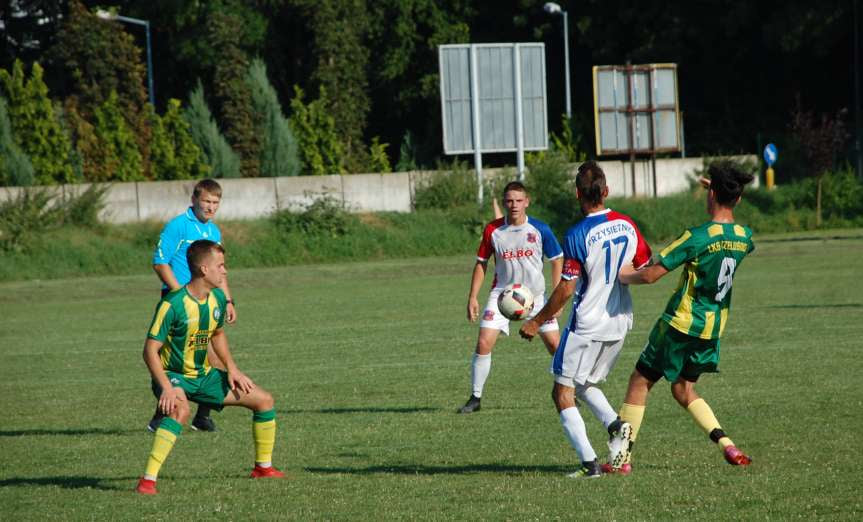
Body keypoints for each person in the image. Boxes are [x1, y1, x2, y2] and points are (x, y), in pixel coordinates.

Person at [608, 161, 756, 474]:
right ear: (738, 198)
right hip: (712, 330)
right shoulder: (745, 237)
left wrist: (620, 276)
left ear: (711, 193)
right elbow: (726, 227)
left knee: (640, 381)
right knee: (683, 389)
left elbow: (650, 276)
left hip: (680, 324)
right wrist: (719, 191)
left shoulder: (696, 237)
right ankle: (726, 444)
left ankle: (619, 460)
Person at [519, 161, 651, 478]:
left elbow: (566, 288)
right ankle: (616, 427)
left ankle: (589, 463)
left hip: (587, 324)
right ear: (605, 191)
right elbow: (644, 266)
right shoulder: (627, 223)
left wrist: (536, 322)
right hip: (619, 322)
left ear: (578, 193)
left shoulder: (578, 234)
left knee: (561, 392)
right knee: (584, 383)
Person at [135, 240, 284, 495]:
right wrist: (167, 388)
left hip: (204, 376)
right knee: (179, 412)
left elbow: (216, 334)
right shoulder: (173, 304)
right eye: (221, 266)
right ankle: (147, 481)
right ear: (204, 269)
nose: (225, 271)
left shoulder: (216, 298)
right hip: (173, 376)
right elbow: (149, 351)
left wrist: (232, 369)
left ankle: (263, 468)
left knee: (264, 401)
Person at [458, 181, 564, 414]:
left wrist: (557, 298)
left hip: (535, 297)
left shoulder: (540, 229)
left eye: (518, 200)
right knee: (483, 342)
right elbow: (481, 263)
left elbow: (557, 259)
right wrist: (473, 297)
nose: (514, 205)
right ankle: (475, 398)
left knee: (556, 346)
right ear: (504, 203)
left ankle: (570, 392)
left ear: (527, 202)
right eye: (509, 201)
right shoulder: (493, 230)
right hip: (501, 296)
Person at [148, 178, 236, 433]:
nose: (210, 207)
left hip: (206, 305)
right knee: (178, 362)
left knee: (211, 359)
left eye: (215, 203)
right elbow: (160, 262)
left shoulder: (214, 232)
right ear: (194, 200)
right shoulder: (178, 226)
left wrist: (228, 300)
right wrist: (180, 295)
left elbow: (219, 271)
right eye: (206, 201)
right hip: (181, 306)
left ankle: (201, 416)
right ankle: (167, 416)